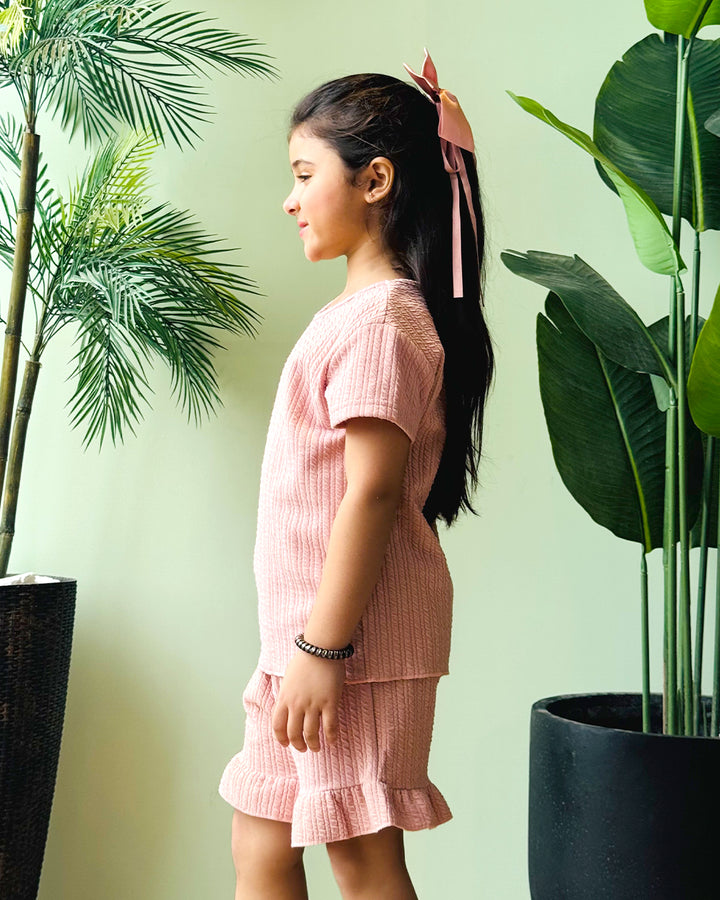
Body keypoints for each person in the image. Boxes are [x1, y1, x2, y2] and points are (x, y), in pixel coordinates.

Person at [219, 50, 494, 900]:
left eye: (306, 174)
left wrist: (322, 650)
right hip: (304, 644)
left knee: (361, 855)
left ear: (374, 181)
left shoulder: (383, 323)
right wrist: (299, 650)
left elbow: (372, 495)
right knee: (261, 839)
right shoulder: (357, 315)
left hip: (349, 648)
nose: (291, 198)